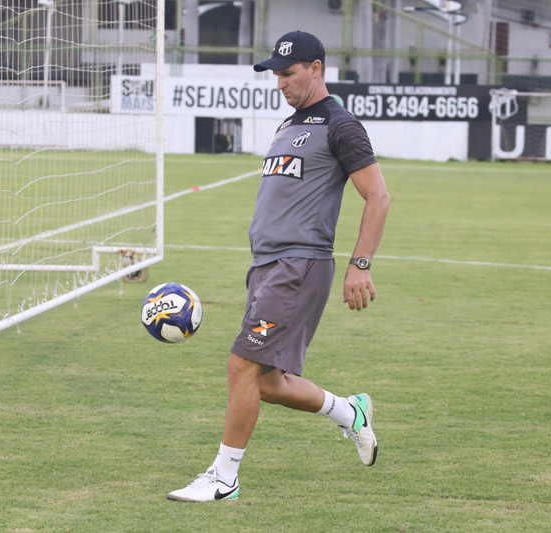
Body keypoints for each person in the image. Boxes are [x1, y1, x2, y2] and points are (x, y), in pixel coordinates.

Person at [167, 30, 391, 502]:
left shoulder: (340, 124)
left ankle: (224, 478)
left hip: (299, 264)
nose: (280, 82)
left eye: (288, 73)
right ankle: (350, 412)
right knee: (267, 382)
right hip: (266, 266)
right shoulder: (288, 125)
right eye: (275, 74)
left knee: (240, 366)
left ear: (316, 68)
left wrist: (360, 264)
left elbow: (378, 196)